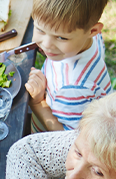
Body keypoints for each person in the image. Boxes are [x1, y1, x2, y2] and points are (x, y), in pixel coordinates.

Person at [26, 0, 111, 133]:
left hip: (50, 143)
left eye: (61, 37)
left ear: (93, 30)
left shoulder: (75, 89)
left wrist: (37, 103)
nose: (47, 44)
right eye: (40, 30)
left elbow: (68, 138)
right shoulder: (87, 40)